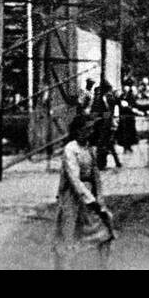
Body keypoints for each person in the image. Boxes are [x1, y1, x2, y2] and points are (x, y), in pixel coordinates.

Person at [53, 114, 114, 269]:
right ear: (78, 131)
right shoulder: (70, 149)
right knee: (69, 238)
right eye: (87, 129)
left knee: (105, 231)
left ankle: (102, 266)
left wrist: (99, 197)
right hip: (74, 198)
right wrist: (90, 200)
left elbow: (95, 174)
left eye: (91, 129)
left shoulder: (88, 148)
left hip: (90, 196)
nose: (90, 132)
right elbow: (74, 180)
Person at [91, 81, 122, 170]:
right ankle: (107, 163)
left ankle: (104, 163)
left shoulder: (107, 98)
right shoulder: (100, 98)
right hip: (102, 124)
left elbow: (110, 109)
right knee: (106, 144)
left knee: (106, 143)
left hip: (106, 123)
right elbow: (96, 111)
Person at [116, 81, 140, 154]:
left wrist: (128, 107)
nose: (125, 89)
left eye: (127, 87)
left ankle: (129, 146)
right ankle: (125, 147)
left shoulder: (131, 96)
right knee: (123, 133)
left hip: (130, 117)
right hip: (123, 117)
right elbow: (118, 104)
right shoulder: (121, 96)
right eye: (124, 87)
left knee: (130, 132)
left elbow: (134, 105)